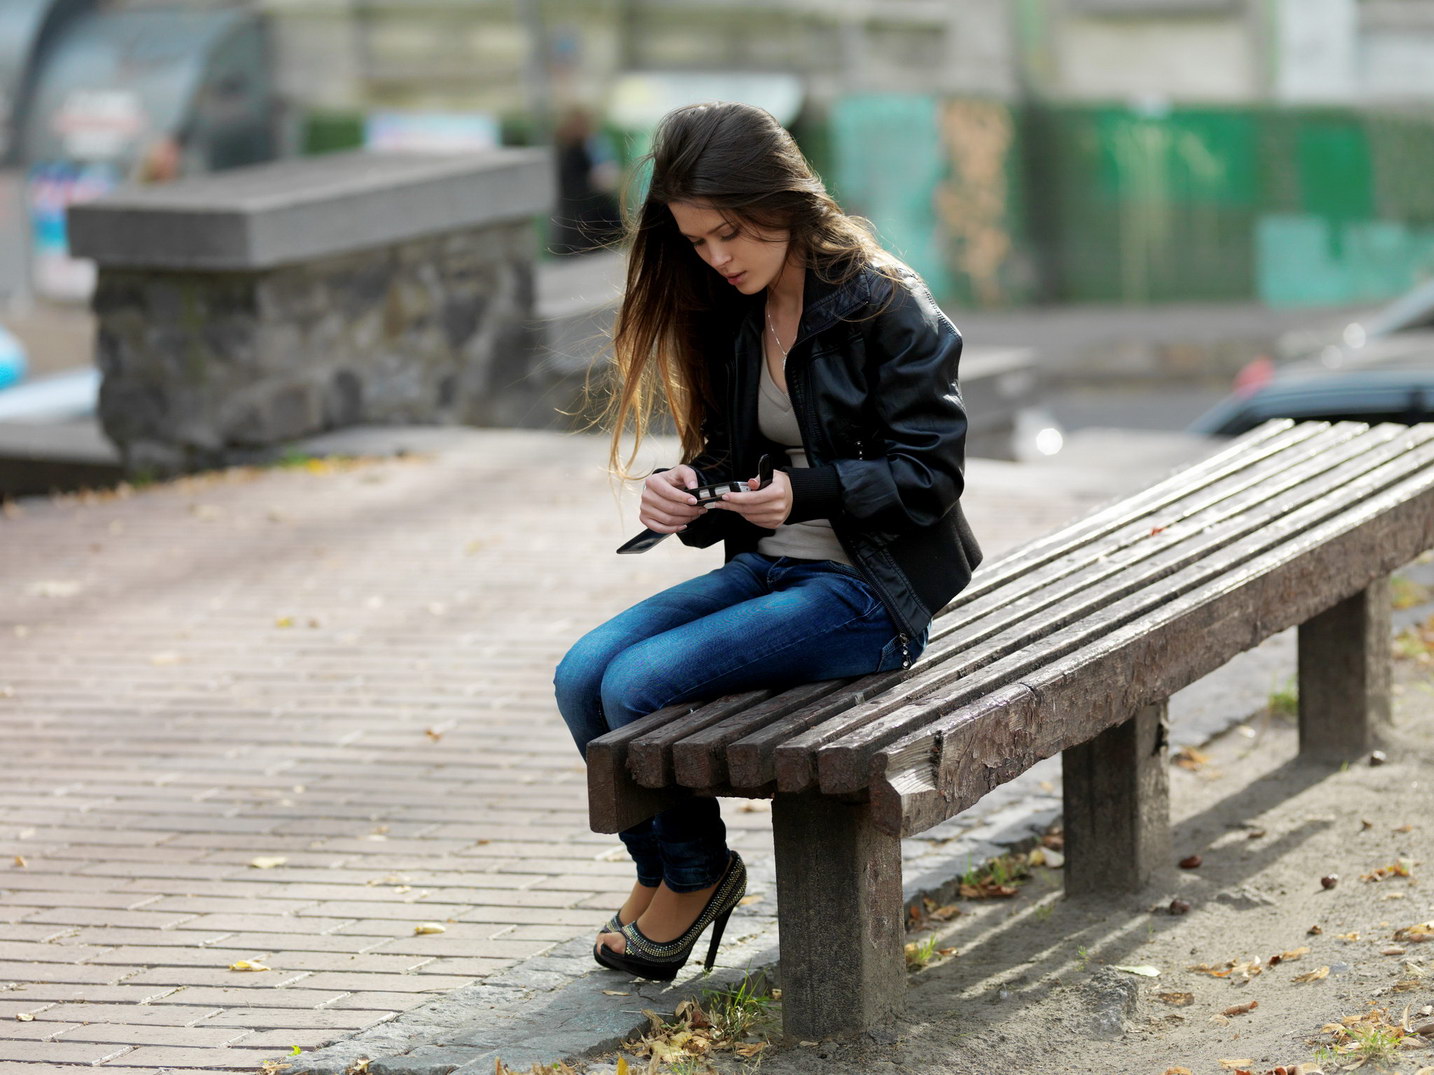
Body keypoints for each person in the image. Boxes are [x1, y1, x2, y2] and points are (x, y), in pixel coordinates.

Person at [553, 101, 982, 982]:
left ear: (784, 202)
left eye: (730, 234)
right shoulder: (736, 307)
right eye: (698, 240)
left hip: (871, 593)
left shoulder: (887, 306)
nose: (717, 258)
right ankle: (665, 871)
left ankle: (698, 877)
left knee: (638, 684)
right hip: (775, 567)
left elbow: (931, 475)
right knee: (581, 676)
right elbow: (736, 461)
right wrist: (691, 495)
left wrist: (810, 491)